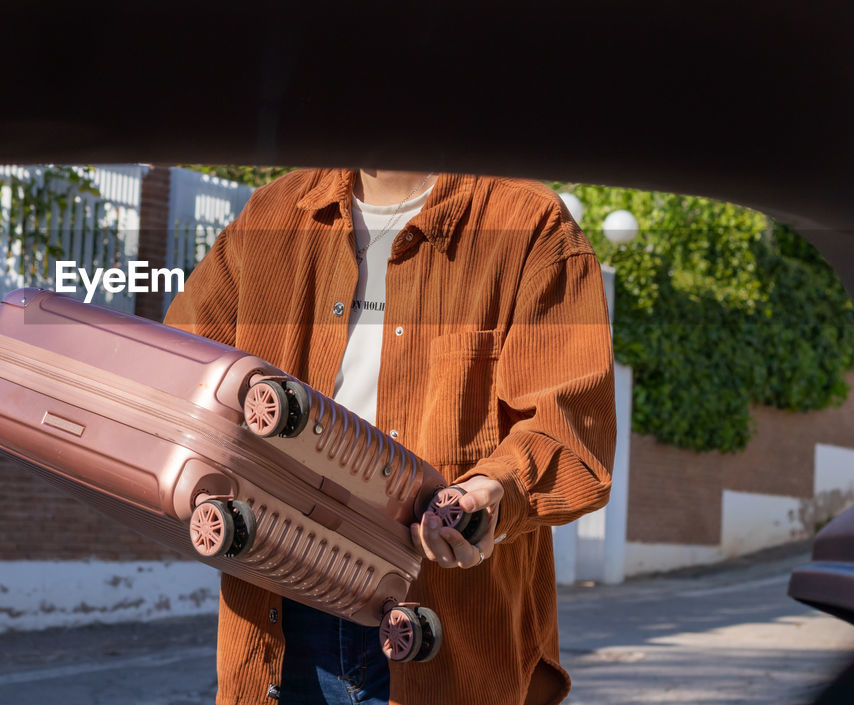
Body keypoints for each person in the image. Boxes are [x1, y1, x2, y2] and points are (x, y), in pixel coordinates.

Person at [164, 167, 617, 705]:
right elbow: (184, 370)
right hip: (279, 615)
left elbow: (570, 428)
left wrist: (491, 492)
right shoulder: (273, 213)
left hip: (443, 624)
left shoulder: (527, 223)